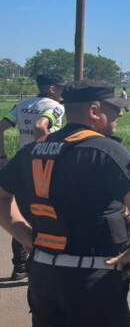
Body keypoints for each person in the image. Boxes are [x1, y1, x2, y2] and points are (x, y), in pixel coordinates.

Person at [0, 79, 130, 327]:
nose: (120, 116)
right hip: (92, 279)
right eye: (115, 109)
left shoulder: (32, 150)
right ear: (94, 111)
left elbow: (2, 198)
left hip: (44, 273)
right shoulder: (107, 150)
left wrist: (25, 234)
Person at [0, 73, 66, 279]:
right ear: (53, 89)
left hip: (20, 162)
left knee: (20, 213)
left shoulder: (23, 104)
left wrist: (2, 156)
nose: (64, 93)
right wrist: (42, 154)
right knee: (44, 213)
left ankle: (19, 266)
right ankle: (38, 262)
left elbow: (1, 126)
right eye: (62, 89)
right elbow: (40, 127)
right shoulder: (56, 107)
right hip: (42, 165)